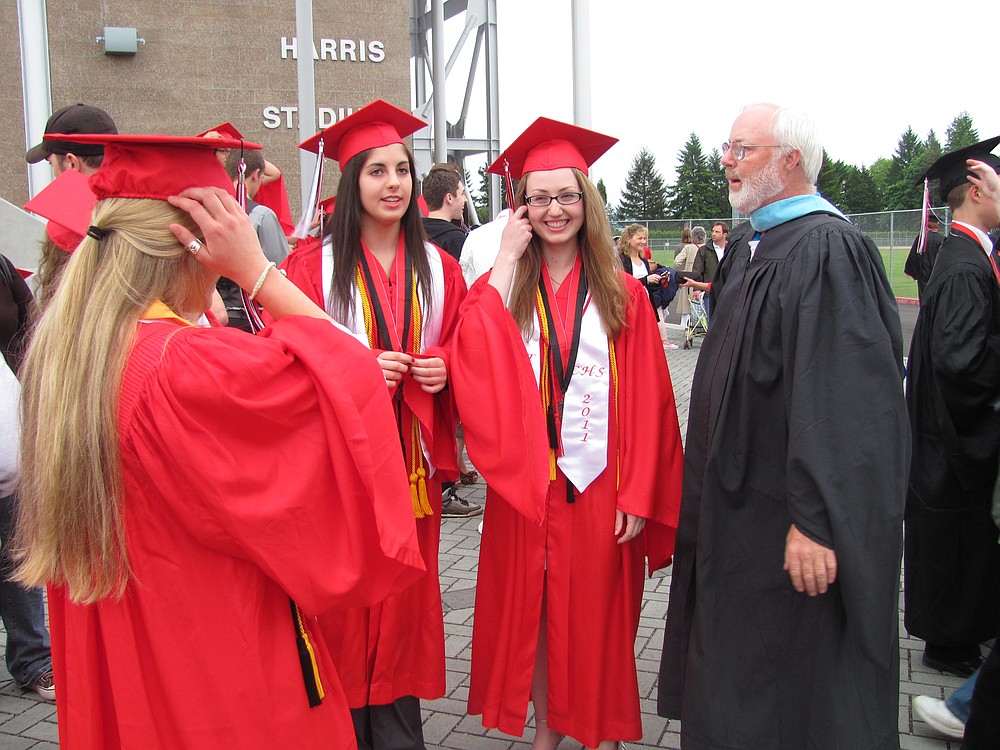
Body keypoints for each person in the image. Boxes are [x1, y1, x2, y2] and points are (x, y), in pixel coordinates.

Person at [12, 132, 425, 748]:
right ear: (194, 248)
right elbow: (354, 376)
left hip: (128, 655)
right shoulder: (187, 368)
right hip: (217, 667)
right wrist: (257, 273)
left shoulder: (71, 355)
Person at [658, 103, 909, 750]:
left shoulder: (828, 249)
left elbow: (848, 404)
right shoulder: (752, 244)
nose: (726, 161)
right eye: (727, 147)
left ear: (790, 161)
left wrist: (818, 519)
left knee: (794, 678)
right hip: (741, 515)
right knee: (739, 670)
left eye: (742, 149)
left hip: (788, 524)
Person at [449, 117, 684, 749]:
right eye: (539, 197)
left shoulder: (624, 295)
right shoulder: (507, 290)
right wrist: (503, 257)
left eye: (567, 196)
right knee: (540, 622)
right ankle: (547, 736)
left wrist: (638, 493)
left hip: (598, 486)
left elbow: (651, 404)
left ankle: (597, 734)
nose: (555, 210)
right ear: (521, 207)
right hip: (525, 490)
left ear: (587, 201)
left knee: (596, 624)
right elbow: (468, 349)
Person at [283, 99, 466, 749]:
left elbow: (466, 348)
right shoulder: (309, 269)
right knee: (343, 601)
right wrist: (353, 369)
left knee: (401, 606)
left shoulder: (441, 272)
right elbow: (280, 363)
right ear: (351, 182)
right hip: (339, 477)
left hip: (412, 475)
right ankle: (335, 729)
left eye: (402, 170)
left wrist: (445, 368)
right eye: (376, 171)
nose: (393, 183)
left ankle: (394, 729)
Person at [904, 137, 1000, 680]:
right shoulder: (965, 265)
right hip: (953, 445)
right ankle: (951, 644)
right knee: (958, 546)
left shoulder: (963, 256)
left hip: (945, 442)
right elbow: (961, 361)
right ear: (977, 190)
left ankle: (956, 634)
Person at [0, 248, 54, 703]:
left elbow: (25, 332)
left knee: (18, 553)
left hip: (9, 443)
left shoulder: (1, 267)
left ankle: (33, 658)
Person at [421, 163, 484, 514]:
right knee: (449, 417)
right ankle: (446, 485)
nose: (463, 202)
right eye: (461, 194)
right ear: (449, 197)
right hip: (445, 341)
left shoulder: (408, 236)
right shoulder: (458, 240)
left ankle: (443, 476)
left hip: (414, 341)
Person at [618, 223, 677, 349]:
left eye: (645, 238)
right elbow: (624, 284)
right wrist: (646, 279)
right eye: (639, 238)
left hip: (645, 304)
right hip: (629, 306)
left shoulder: (643, 260)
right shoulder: (621, 260)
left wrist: (659, 281)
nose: (643, 242)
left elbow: (647, 286)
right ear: (628, 239)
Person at [421, 163, 468, 261]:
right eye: (462, 193)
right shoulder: (456, 239)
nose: (465, 199)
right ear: (449, 198)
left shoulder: (411, 233)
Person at [904, 214, 944, 300]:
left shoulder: (921, 239)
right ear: (937, 224)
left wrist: (909, 270)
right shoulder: (942, 240)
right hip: (937, 275)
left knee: (924, 298)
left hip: (923, 275)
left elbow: (913, 256)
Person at [691, 222, 727, 318]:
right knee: (711, 320)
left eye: (717, 232)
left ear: (725, 234)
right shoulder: (704, 250)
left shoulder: (731, 249)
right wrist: (697, 289)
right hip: (710, 291)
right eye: (713, 231)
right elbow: (697, 270)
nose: (714, 234)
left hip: (728, 290)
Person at [672, 226, 699, 332]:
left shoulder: (687, 248)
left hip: (688, 277)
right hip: (702, 279)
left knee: (686, 305)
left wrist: (682, 271)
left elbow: (677, 261)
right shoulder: (707, 248)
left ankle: (685, 326)